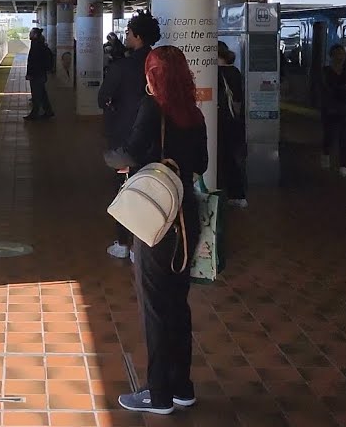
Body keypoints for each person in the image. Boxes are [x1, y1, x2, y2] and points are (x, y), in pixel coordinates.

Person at [114, 46, 208, 415]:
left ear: (154, 76)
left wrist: (115, 160)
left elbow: (129, 152)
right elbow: (201, 163)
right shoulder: (194, 113)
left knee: (154, 307)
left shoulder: (153, 108)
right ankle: (182, 386)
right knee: (178, 304)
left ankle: (158, 394)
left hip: (158, 219)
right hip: (187, 217)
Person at [98, 11, 161, 260]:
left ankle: (124, 243)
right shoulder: (160, 63)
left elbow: (103, 98)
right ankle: (144, 244)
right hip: (157, 137)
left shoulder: (122, 66)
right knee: (151, 189)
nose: (126, 35)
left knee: (125, 190)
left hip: (126, 138)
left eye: (128, 32)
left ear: (137, 36)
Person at [217, 42, 247, 207]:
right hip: (233, 120)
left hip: (220, 119)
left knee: (221, 156)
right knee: (232, 158)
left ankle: (219, 193)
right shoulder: (235, 71)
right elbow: (238, 100)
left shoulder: (216, 72)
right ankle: (237, 194)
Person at [320, 44, 346, 177]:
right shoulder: (326, 71)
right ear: (332, 56)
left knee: (344, 136)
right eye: (337, 54)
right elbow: (327, 87)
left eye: (342, 54)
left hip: (345, 106)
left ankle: (343, 166)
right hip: (329, 106)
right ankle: (326, 154)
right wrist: (343, 88)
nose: (340, 57)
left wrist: (342, 88)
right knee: (329, 134)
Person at [24, 28, 55, 120]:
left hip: (37, 75)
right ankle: (48, 111)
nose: (29, 35)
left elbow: (33, 62)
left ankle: (35, 113)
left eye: (31, 33)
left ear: (35, 35)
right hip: (40, 74)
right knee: (42, 94)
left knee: (36, 95)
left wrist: (30, 74)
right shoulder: (39, 44)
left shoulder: (36, 46)